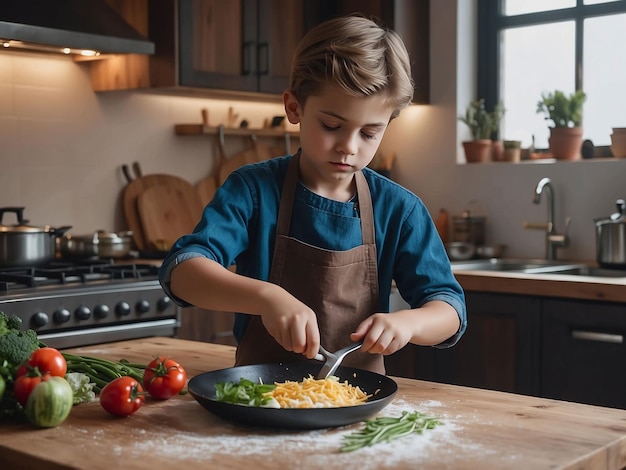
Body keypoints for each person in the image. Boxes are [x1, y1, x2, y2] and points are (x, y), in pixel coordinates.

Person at [159, 15, 466, 374]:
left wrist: (408, 324)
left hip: (357, 404)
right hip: (261, 399)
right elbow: (182, 272)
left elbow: (449, 309)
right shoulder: (253, 190)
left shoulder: (399, 209)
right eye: (332, 126)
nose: (348, 147)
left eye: (369, 133)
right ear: (294, 108)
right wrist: (266, 297)